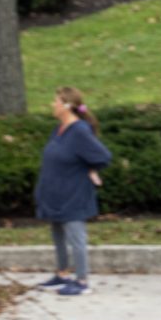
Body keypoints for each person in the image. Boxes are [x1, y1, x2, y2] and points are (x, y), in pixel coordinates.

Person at [35, 85, 112, 297]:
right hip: (56, 193)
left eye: (56, 101)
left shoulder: (79, 131)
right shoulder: (59, 129)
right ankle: (62, 275)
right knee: (58, 234)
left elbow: (102, 156)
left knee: (76, 237)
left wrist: (91, 169)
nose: (53, 104)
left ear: (67, 106)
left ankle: (82, 280)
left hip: (73, 194)